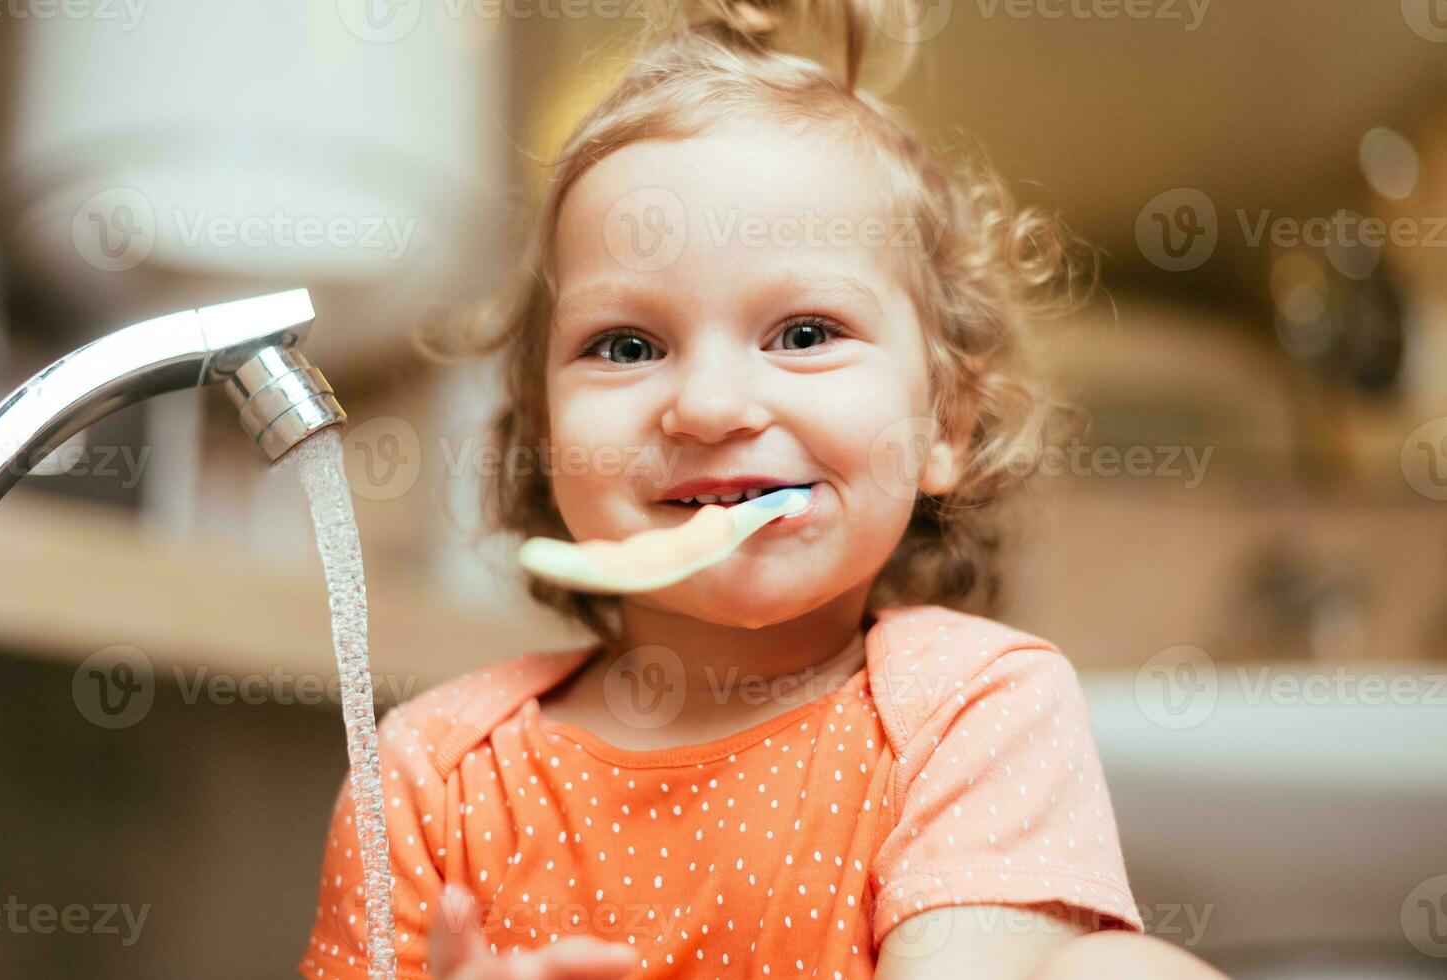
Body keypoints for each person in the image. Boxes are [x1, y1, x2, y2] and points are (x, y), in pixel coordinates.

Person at [299, 0, 1228, 976]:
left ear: (944, 422)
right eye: (626, 345)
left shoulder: (970, 706)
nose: (707, 405)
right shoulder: (431, 775)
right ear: (543, 433)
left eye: (803, 333)